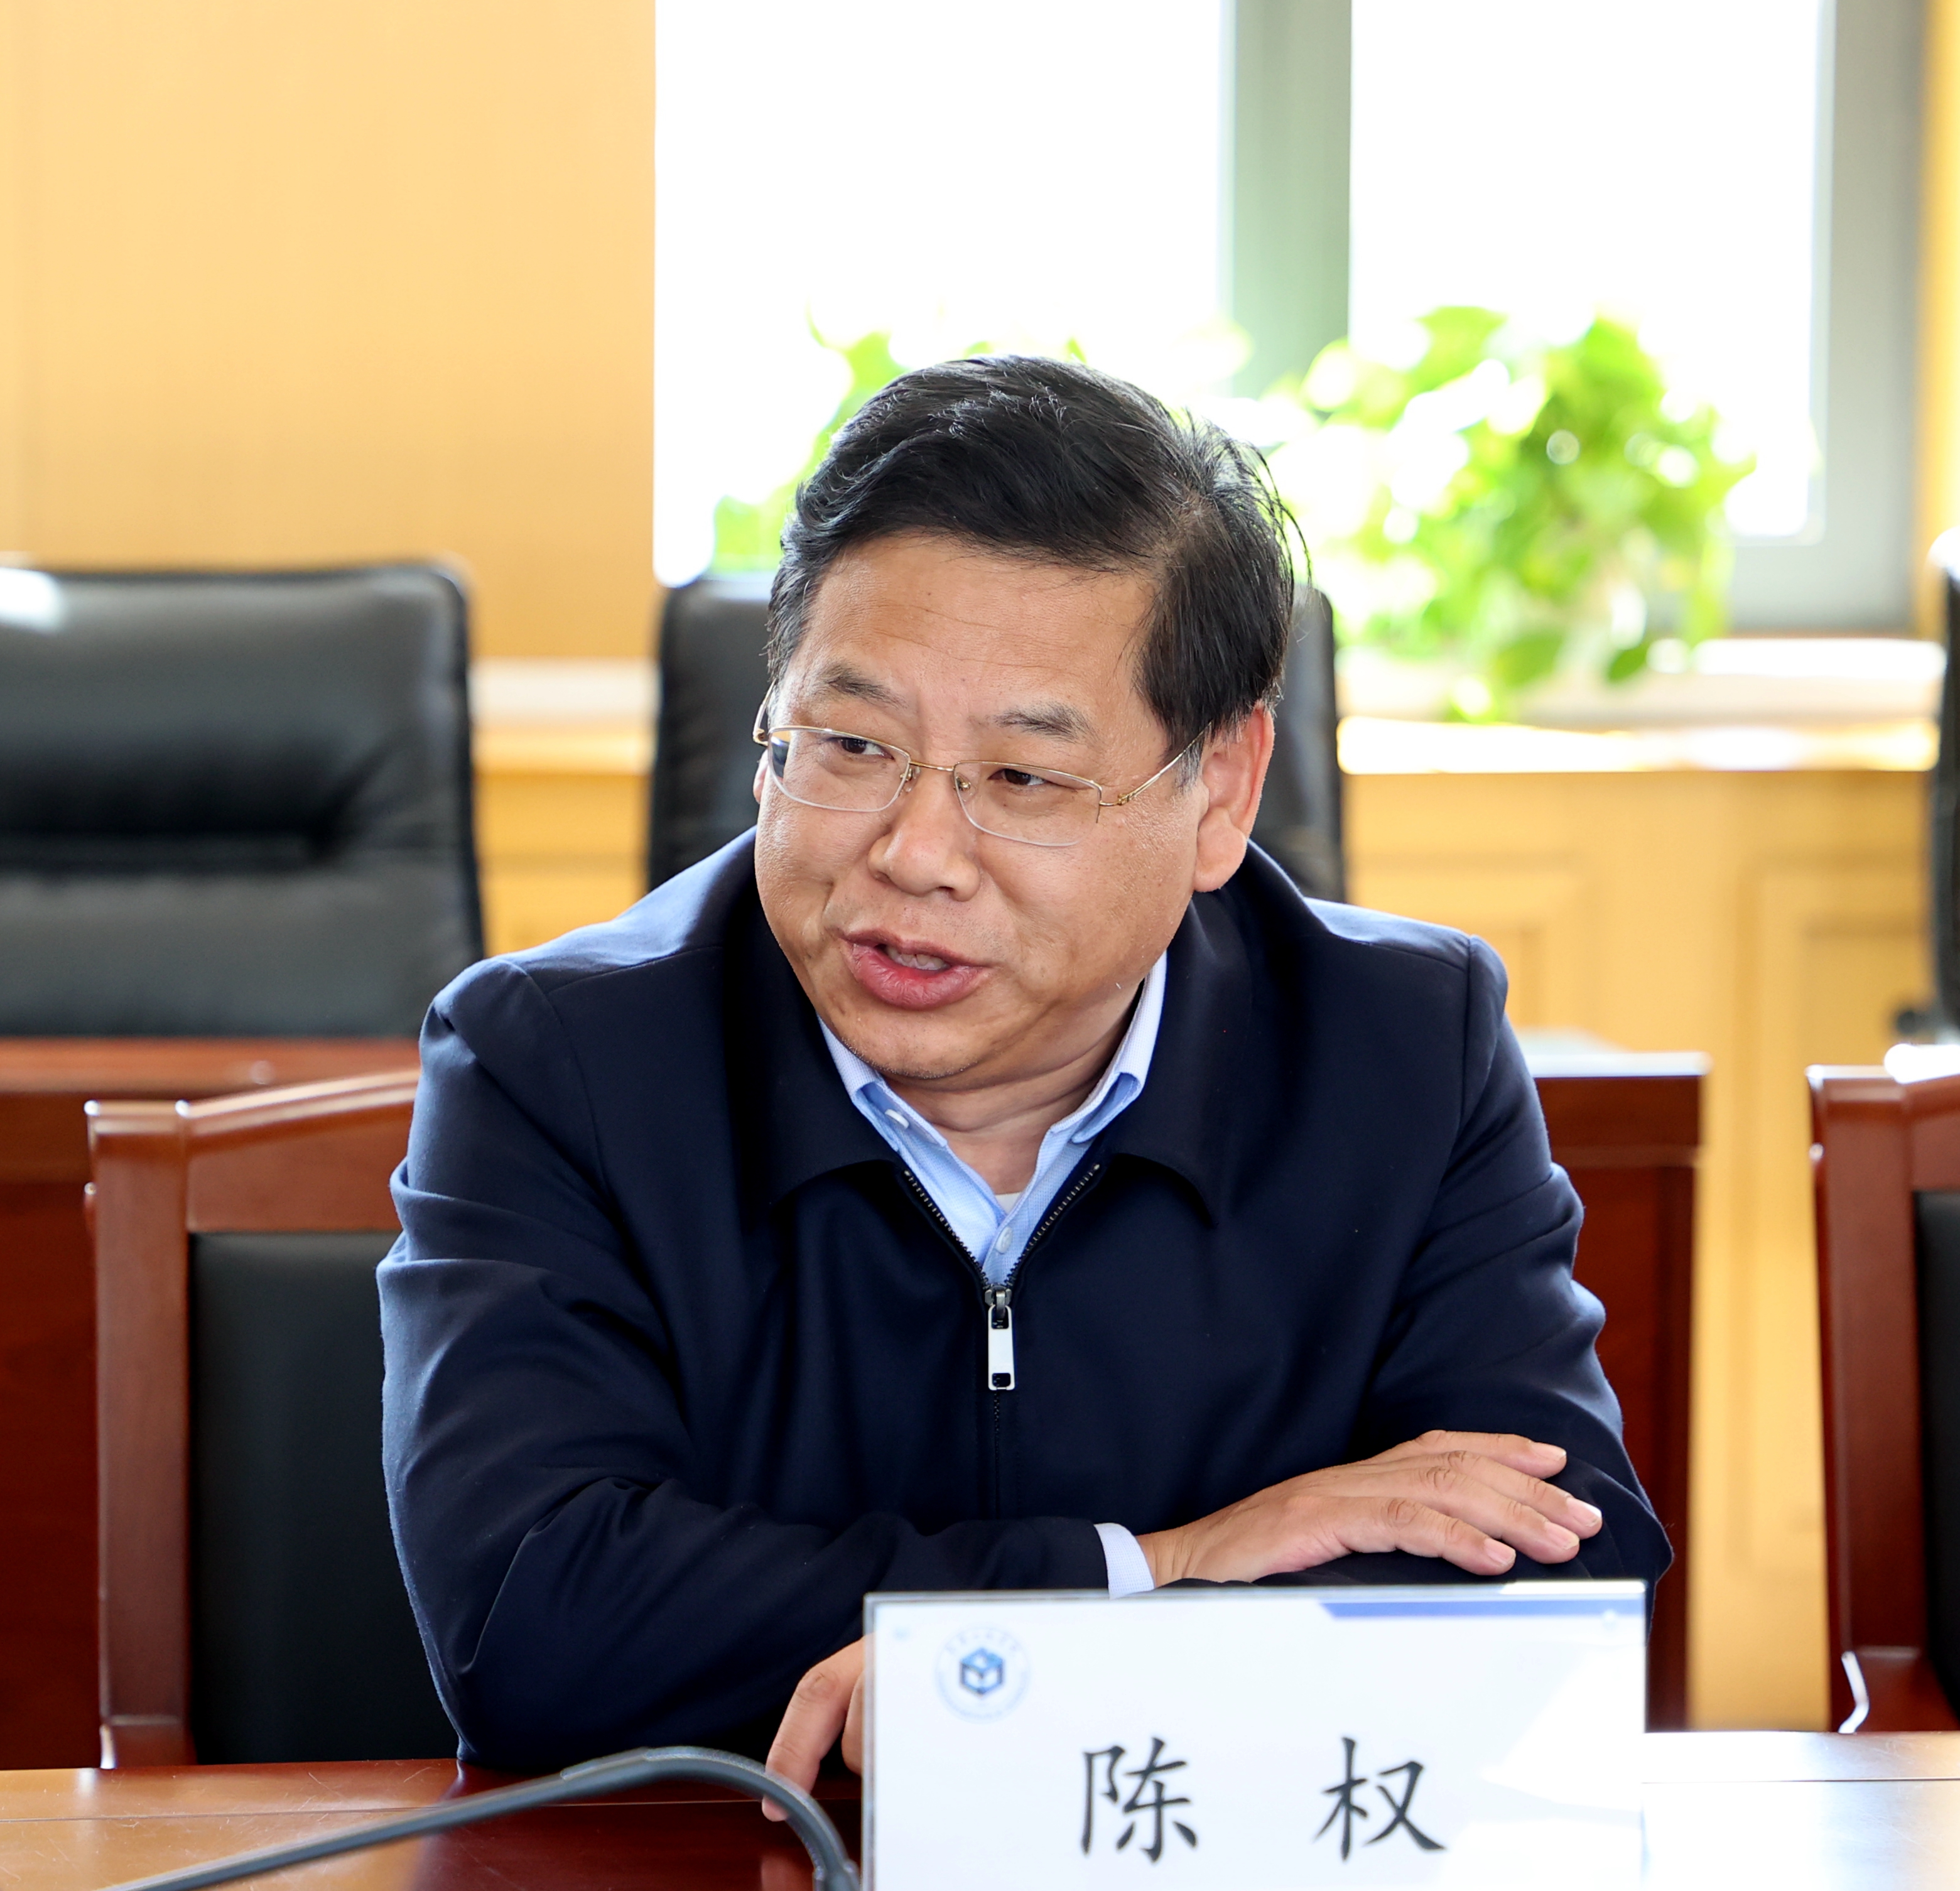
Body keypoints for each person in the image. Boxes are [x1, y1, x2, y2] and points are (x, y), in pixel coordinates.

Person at [379, 356, 1669, 1788]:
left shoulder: (1401, 1045)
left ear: (1220, 792)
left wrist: (988, 1657)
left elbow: (1554, 1569)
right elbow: (534, 1617)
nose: (914, 853)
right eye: (849, 744)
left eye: (1022, 778)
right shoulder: (554, 1060)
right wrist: (1157, 1567)